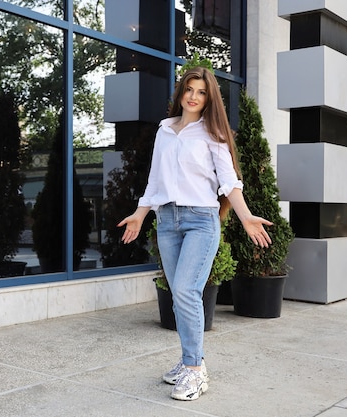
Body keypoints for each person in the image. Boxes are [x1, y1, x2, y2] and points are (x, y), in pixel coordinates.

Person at [117, 67, 273, 401]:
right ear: (180, 92)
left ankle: (195, 371)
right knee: (178, 294)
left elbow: (229, 182)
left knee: (187, 290)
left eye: (201, 92)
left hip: (201, 221)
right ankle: (189, 359)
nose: (193, 96)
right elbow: (155, 180)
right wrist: (139, 214)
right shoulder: (165, 129)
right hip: (167, 221)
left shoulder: (212, 132)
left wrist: (245, 218)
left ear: (209, 98)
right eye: (189, 89)